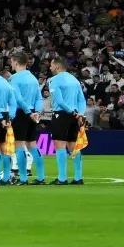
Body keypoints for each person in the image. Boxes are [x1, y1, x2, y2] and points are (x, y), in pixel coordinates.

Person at [46, 55, 88, 185]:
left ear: (57, 66)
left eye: (52, 65)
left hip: (62, 114)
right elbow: (81, 99)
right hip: (75, 116)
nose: (50, 67)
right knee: (74, 146)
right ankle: (78, 177)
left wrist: (72, 112)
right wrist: (79, 113)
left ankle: (62, 178)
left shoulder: (53, 80)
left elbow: (59, 101)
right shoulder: (74, 79)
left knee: (60, 145)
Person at [8, 54, 44, 184]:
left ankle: (23, 178)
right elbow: (39, 98)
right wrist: (37, 112)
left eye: (11, 61)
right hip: (33, 113)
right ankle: (41, 177)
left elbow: (18, 98)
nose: (11, 64)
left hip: (21, 112)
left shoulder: (14, 78)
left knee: (19, 145)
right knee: (32, 145)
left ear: (16, 62)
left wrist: (28, 112)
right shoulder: (33, 78)